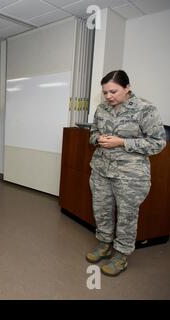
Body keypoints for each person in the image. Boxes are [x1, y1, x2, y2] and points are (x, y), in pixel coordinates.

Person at [86, 70, 167, 276]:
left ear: (127, 87)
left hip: (130, 175)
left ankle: (121, 256)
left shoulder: (145, 109)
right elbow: (93, 132)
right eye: (105, 92)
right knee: (101, 210)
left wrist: (122, 142)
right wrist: (98, 139)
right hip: (101, 170)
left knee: (126, 217)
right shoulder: (102, 109)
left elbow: (158, 143)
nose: (108, 96)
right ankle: (104, 244)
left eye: (113, 91)